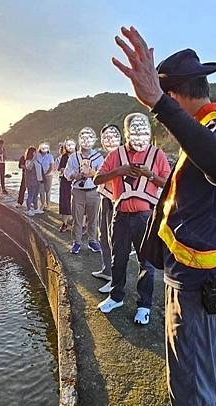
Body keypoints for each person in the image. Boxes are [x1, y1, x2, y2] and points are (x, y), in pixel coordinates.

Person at [113, 26, 216, 406]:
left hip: (197, 283)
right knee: (211, 373)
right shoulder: (211, 129)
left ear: (177, 94)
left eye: (166, 102)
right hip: (210, 277)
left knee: (192, 387)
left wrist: (158, 103)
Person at [94, 113, 170, 324]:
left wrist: (149, 175)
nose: (138, 135)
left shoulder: (158, 155)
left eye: (143, 130)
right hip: (120, 215)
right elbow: (97, 178)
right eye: (134, 131)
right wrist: (120, 170)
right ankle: (116, 296)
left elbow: (169, 184)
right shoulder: (115, 155)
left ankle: (144, 305)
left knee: (146, 262)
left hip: (145, 216)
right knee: (119, 258)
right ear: (126, 133)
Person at [91, 124, 123, 293]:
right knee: (103, 235)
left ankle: (115, 279)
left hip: (114, 201)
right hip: (104, 197)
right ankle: (106, 270)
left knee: (114, 240)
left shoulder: (122, 155)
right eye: (105, 137)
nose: (108, 140)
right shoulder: (109, 156)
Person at [63, 127, 103, 254]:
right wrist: (75, 175)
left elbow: (102, 174)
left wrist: (92, 173)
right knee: (77, 218)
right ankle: (77, 242)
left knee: (93, 218)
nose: (86, 141)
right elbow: (67, 173)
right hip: (78, 191)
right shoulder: (73, 157)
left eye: (89, 138)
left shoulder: (98, 156)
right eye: (84, 138)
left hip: (93, 190)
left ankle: (93, 241)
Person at [57, 139, 76, 232]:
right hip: (66, 182)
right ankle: (65, 223)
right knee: (65, 202)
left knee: (76, 203)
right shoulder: (64, 157)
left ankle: (74, 223)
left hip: (76, 183)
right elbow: (61, 170)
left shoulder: (78, 156)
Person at [24, 146, 43, 216]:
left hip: (37, 180)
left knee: (35, 195)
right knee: (30, 195)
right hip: (31, 181)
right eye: (34, 152)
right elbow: (29, 168)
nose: (36, 153)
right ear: (31, 153)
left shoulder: (37, 160)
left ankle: (36, 208)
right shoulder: (28, 161)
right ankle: (28, 210)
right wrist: (33, 159)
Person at [36, 143, 54, 209]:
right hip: (40, 176)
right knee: (41, 190)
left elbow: (52, 167)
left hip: (49, 175)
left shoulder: (50, 156)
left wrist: (46, 174)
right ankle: (43, 204)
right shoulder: (37, 156)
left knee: (48, 190)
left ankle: (48, 205)